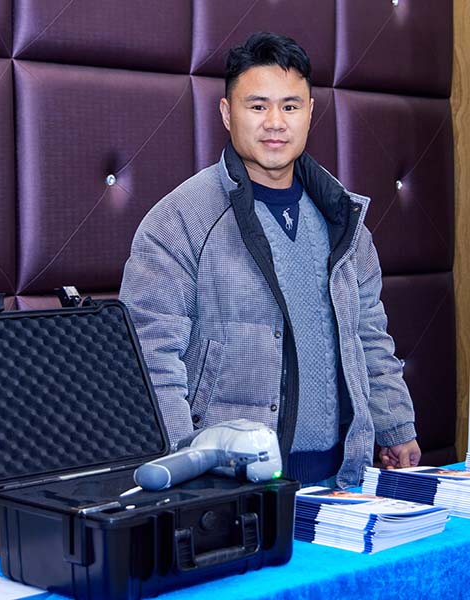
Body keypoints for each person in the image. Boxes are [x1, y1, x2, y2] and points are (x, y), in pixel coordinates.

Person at [119, 32, 420, 488]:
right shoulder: (180, 219)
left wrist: (396, 426)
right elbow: (149, 361)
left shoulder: (343, 217)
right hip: (230, 486)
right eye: (257, 106)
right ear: (227, 113)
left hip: (341, 480)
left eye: (290, 106)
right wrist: (185, 468)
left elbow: (369, 335)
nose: (275, 123)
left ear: (310, 112)